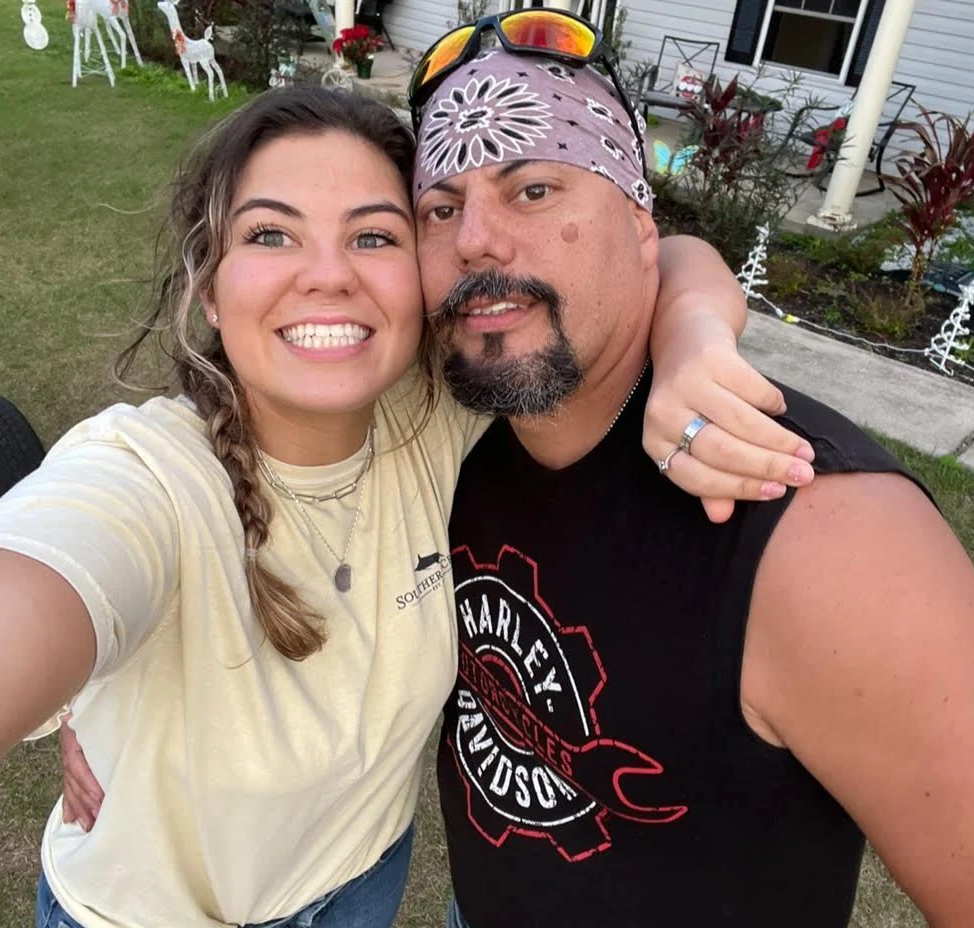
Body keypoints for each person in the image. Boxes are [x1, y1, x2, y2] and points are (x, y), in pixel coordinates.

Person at [0, 86, 815, 928]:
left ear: (423, 278)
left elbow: (666, 248)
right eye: (271, 234)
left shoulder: (441, 408)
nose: (329, 272)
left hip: (359, 886)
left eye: (375, 235)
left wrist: (693, 337)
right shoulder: (143, 476)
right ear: (210, 291)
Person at [398, 15, 974, 927]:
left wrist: (700, 325)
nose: (475, 240)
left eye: (534, 189)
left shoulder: (828, 535)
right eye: (440, 208)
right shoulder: (450, 432)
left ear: (637, 225)